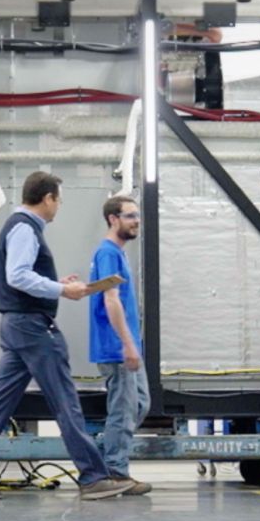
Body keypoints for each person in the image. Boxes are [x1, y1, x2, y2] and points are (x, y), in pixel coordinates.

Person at [0, 171, 134, 501]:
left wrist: (56, 283)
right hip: (33, 328)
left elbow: (23, 275)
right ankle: (93, 477)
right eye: (58, 200)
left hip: (19, 326)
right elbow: (17, 276)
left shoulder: (21, 226)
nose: (59, 206)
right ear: (47, 198)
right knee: (65, 402)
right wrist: (63, 289)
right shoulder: (24, 227)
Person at [88, 194, 152, 495]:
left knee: (140, 404)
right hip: (116, 348)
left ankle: (109, 457)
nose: (136, 220)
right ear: (113, 219)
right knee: (124, 410)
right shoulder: (108, 253)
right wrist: (127, 344)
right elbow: (110, 300)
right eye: (129, 216)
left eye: (137, 215)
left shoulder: (116, 253)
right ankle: (115, 472)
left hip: (126, 346)